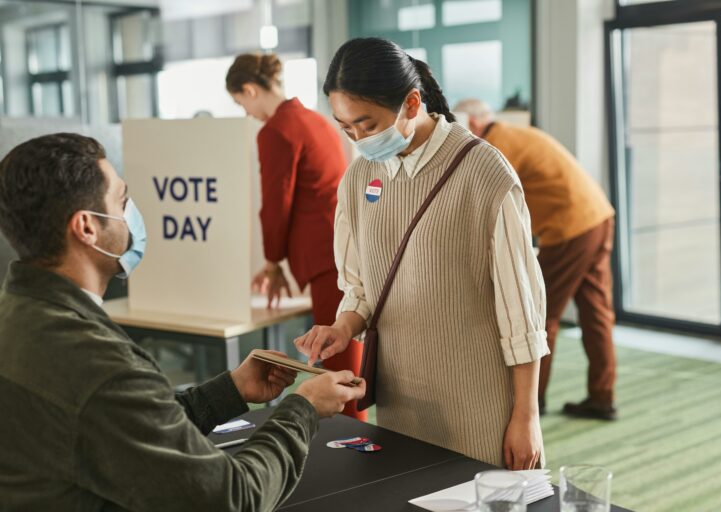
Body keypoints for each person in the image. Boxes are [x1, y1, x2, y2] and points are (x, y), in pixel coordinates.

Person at [0, 133, 365, 511]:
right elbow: (231, 499)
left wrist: (230, 391)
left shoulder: (21, 314)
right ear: (87, 227)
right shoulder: (95, 364)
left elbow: (126, 425)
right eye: (122, 200)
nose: (131, 214)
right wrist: (302, 408)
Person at [295, 38, 549, 469]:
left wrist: (526, 416)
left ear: (412, 103)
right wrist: (342, 326)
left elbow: (521, 313)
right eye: (345, 127)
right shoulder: (359, 178)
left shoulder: (484, 173)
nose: (358, 139)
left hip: (480, 407)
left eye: (368, 125)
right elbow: (360, 287)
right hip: (401, 407)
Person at [453, 98, 618, 420]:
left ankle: (532, 401)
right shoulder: (514, 135)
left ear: (471, 124)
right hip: (597, 216)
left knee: (539, 314)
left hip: (569, 226)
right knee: (596, 311)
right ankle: (602, 397)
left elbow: (484, 203)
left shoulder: (495, 147)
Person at [226, 53, 365, 420]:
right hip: (344, 248)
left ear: (251, 90)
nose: (247, 113)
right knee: (347, 365)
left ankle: (353, 455)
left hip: (324, 257)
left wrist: (272, 262)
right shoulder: (314, 120)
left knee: (340, 376)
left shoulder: (276, 131)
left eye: (242, 103)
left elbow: (275, 204)